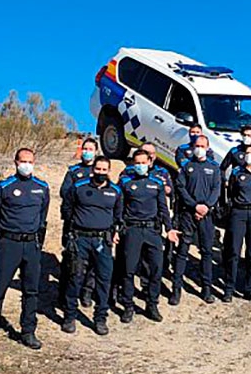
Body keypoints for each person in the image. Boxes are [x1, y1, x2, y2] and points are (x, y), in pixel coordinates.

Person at [0, 148, 50, 353]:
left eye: (30, 161)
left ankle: (28, 331)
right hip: (8, 244)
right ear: (15, 162)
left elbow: (42, 216)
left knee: (31, 291)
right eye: (23, 161)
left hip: (31, 245)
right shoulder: (3, 187)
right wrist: (1, 236)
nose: (26, 165)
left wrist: (37, 240)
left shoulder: (42, 187)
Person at [60, 156, 123, 335]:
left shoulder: (116, 191)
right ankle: (70, 316)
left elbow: (118, 215)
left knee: (104, 280)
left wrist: (115, 231)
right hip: (80, 239)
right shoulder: (79, 187)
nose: (101, 173)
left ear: (109, 171)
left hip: (103, 241)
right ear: (93, 169)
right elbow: (67, 208)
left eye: (104, 170)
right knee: (75, 278)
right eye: (98, 169)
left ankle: (100, 318)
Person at [118, 149, 180, 323]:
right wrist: (118, 228)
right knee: (129, 270)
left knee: (155, 269)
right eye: (137, 163)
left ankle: (151, 304)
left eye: (143, 163)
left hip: (152, 231)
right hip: (132, 230)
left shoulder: (157, 183)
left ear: (149, 163)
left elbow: (163, 208)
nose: (140, 166)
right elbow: (119, 208)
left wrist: (169, 229)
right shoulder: (125, 181)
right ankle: (128, 306)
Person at [171, 135, 221, 305]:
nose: (199, 148)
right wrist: (194, 206)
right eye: (197, 145)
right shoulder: (186, 166)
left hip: (206, 215)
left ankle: (206, 289)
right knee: (182, 250)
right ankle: (176, 289)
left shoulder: (214, 167)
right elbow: (181, 188)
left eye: (202, 145)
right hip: (188, 214)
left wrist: (206, 206)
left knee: (206, 252)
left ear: (208, 148)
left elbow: (216, 189)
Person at [222, 144, 251, 303]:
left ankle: (250, 288)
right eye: (246, 153)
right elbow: (232, 192)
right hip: (238, 213)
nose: (248, 155)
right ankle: (229, 288)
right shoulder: (236, 172)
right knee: (234, 251)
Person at [58, 137, 98, 309]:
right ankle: (64, 293)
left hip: (94, 225)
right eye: (85, 148)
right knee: (70, 260)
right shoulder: (73, 171)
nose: (88, 151)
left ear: (96, 152)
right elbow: (64, 192)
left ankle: (87, 291)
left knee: (93, 261)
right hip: (74, 223)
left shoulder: (100, 171)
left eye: (91, 149)